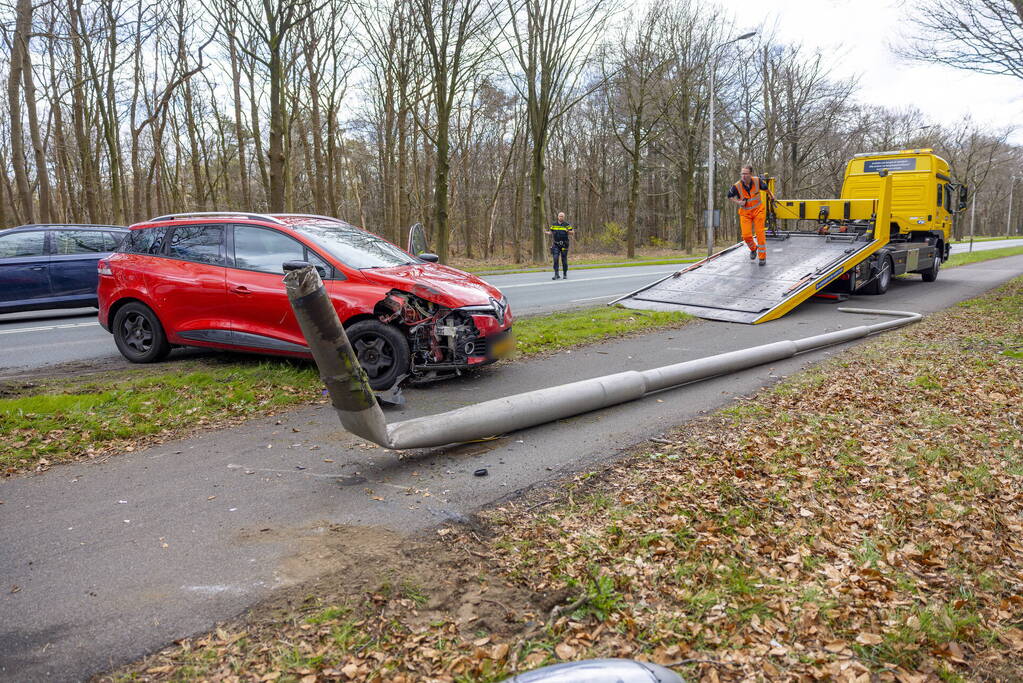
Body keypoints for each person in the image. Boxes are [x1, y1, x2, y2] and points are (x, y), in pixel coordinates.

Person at [727, 165, 774, 266]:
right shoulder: (737, 186)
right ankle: (753, 249)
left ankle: (762, 257)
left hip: (758, 211)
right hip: (745, 213)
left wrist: (772, 196)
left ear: (750, 174)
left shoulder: (757, 181)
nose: (743, 176)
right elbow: (729, 196)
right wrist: (739, 202)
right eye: (742, 174)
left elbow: (766, 189)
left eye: (746, 174)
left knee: (760, 233)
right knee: (746, 236)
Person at [546, 211, 574, 279]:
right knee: (555, 259)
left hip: (564, 244)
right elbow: (551, 232)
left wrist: (568, 231)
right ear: (558, 217)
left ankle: (565, 274)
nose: (561, 217)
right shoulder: (554, 224)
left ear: (564, 217)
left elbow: (573, 232)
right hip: (556, 244)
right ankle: (556, 274)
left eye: (562, 216)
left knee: (564, 260)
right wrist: (547, 232)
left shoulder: (567, 224)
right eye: (560, 216)